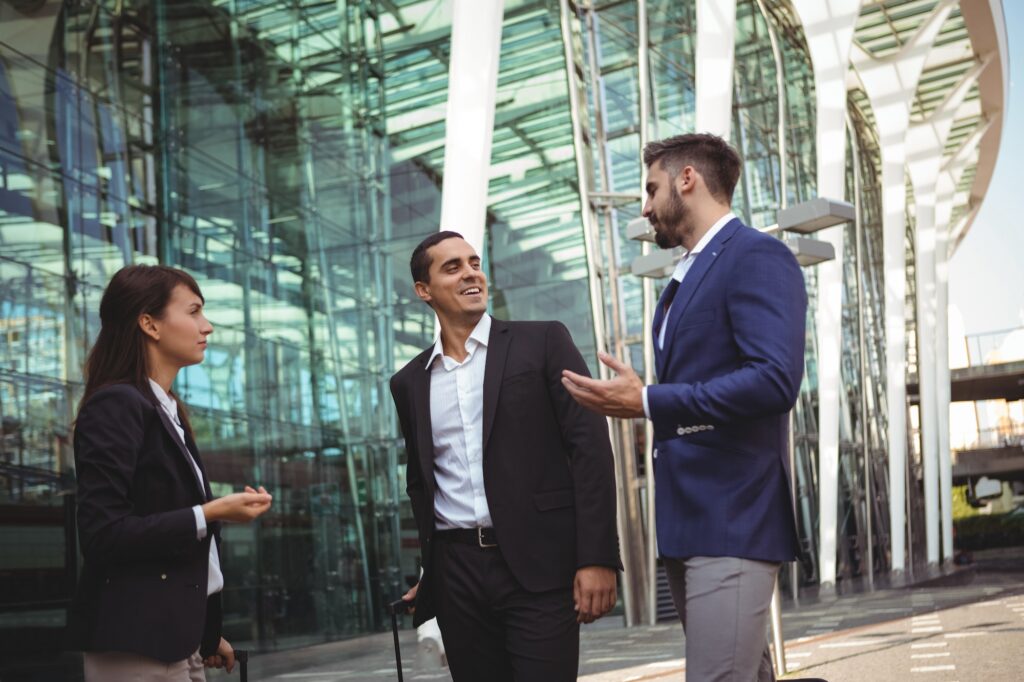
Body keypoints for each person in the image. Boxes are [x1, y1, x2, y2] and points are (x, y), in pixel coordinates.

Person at [562, 133, 806, 681]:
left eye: (651, 189)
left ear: (687, 178)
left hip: (732, 519)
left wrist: (647, 399)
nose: (646, 208)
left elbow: (773, 380)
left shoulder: (756, 255)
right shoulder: (688, 275)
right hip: (688, 524)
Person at [389, 232, 620, 681]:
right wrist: (432, 571)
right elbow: (422, 482)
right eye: (452, 267)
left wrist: (597, 556)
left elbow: (589, 448)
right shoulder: (409, 382)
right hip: (456, 577)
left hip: (539, 567)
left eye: (474, 262)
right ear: (424, 290)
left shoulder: (544, 342)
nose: (471, 272)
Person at [67, 265, 273, 681]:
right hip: (135, 643)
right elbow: (103, 533)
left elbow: (181, 551)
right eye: (194, 311)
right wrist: (209, 513)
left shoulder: (168, 409)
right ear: (149, 324)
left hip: (178, 642)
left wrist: (206, 632)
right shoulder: (117, 405)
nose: (207, 326)